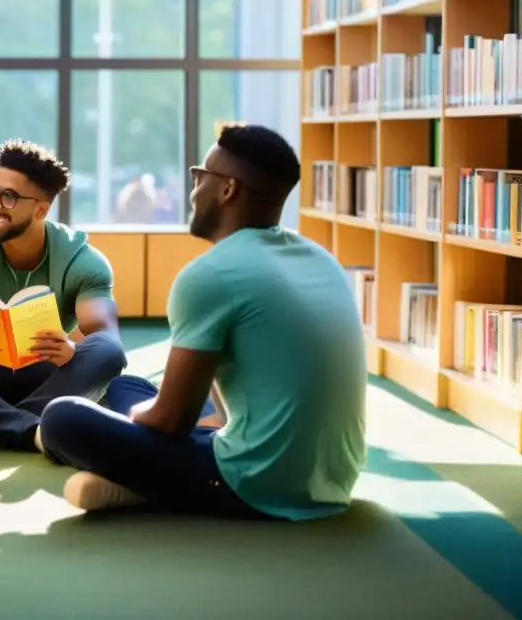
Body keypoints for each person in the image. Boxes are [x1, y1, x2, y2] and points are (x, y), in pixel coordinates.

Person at [39, 124, 368, 520]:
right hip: (333, 481)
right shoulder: (320, 259)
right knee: (127, 385)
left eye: (200, 176)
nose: (193, 190)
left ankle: (139, 484)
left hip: (254, 483)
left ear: (228, 189)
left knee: (62, 418)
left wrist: (130, 427)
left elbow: (170, 421)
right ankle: (144, 474)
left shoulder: (211, 275)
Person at [0, 139, 128, 452]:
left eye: (10, 197)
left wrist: (71, 350)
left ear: (41, 209)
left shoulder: (83, 261)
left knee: (109, 350)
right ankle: (34, 428)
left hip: (49, 373)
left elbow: (104, 335)